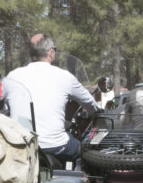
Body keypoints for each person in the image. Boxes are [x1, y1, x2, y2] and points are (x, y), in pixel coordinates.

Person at [5, 33, 100, 164]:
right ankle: (80, 182)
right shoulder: (65, 76)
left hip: (22, 144)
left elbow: (3, 105)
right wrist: (97, 112)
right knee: (83, 150)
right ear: (50, 53)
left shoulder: (13, 76)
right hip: (55, 145)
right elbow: (89, 102)